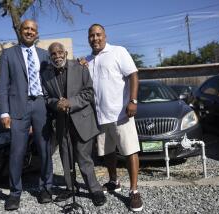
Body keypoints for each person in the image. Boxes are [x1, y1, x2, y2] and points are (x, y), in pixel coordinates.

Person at [85, 23, 143, 212]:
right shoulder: (87, 61)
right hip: (100, 117)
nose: (95, 38)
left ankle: (134, 191)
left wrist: (133, 100)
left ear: (105, 36)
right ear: (88, 39)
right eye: (92, 35)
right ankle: (114, 181)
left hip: (121, 115)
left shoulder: (118, 52)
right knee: (108, 152)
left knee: (129, 151)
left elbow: (133, 75)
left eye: (98, 34)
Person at [41, 42, 106, 206]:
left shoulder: (80, 67)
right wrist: (56, 104)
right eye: (53, 54)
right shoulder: (47, 74)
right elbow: (47, 97)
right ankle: (71, 188)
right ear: (50, 57)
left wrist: (70, 102)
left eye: (60, 52)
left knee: (84, 157)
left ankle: (94, 189)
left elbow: (89, 92)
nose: (57, 56)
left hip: (82, 120)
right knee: (65, 156)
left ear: (66, 52)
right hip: (62, 122)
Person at [0, 19, 53, 211]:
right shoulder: (8, 54)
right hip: (18, 108)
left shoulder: (45, 55)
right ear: (20, 31)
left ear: (37, 33)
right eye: (26, 28)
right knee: (17, 152)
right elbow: (3, 85)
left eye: (33, 29)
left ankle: (46, 188)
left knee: (45, 149)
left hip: (41, 105)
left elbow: (54, 78)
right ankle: (14, 193)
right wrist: (4, 112)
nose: (29, 31)